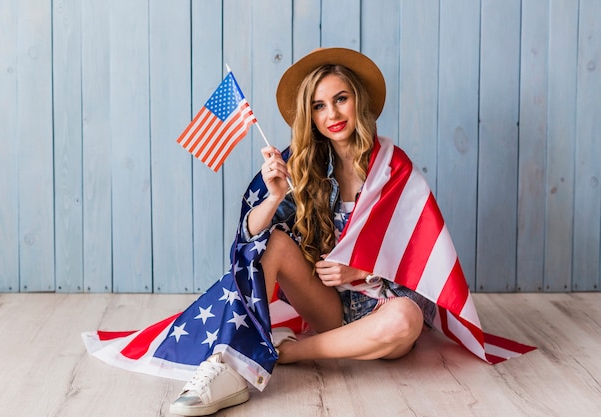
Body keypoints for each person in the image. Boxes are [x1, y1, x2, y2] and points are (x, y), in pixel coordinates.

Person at [169, 47, 437, 416]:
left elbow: (424, 260)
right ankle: (226, 362)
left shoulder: (394, 169)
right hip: (329, 308)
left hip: (384, 311)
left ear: (358, 100)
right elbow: (248, 239)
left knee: (408, 318)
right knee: (272, 242)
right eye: (319, 105)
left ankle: (284, 352)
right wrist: (275, 195)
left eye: (340, 99)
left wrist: (363, 270)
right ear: (309, 115)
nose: (332, 114)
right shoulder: (306, 165)